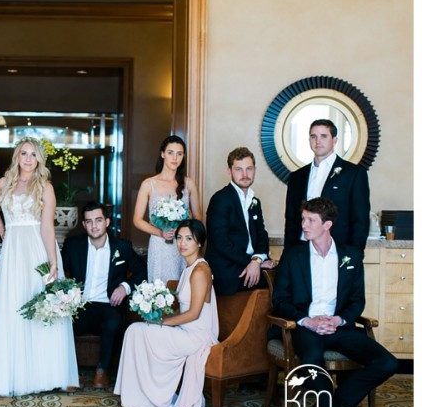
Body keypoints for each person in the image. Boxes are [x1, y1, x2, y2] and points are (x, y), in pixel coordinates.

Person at [272, 197, 397, 407]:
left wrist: (338, 320)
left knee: (387, 362)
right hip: (306, 327)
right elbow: (279, 300)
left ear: (327, 225)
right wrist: (307, 320)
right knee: (312, 356)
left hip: (339, 327)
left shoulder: (350, 255)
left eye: (310, 220)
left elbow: (357, 300)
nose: (304, 225)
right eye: (303, 219)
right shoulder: (293, 255)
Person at [0, 137, 79, 396]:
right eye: (23, 153)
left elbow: (48, 226)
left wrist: (53, 262)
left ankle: (49, 374)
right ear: (17, 157)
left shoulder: (45, 186)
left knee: (41, 309)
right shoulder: (4, 183)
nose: (28, 158)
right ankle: (14, 374)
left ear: (39, 159)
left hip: (37, 250)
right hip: (13, 252)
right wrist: (4, 231)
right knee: (14, 307)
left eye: (32, 154)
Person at [114, 219, 218, 407]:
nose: (182, 243)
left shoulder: (200, 270)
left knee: (138, 330)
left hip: (195, 337)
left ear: (200, 243)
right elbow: (182, 309)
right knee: (136, 330)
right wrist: (157, 314)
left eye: (189, 238)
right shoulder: (188, 268)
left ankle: (154, 397)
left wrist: (160, 323)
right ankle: (142, 394)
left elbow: (194, 314)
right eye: (179, 238)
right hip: (185, 330)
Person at [61, 201, 147, 389]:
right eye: (89, 221)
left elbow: (142, 272)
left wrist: (125, 286)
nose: (94, 226)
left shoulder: (122, 247)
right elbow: (59, 271)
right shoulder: (73, 245)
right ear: (83, 225)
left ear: (107, 222)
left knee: (113, 322)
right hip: (80, 306)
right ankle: (69, 373)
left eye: (98, 220)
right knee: (60, 322)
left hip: (108, 306)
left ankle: (102, 371)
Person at [284, 119, 370, 252]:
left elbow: (360, 219)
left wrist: (355, 254)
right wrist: (288, 253)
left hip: (337, 249)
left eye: (324, 136)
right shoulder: (297, 176)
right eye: (313, 136)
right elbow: (290, 219)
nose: (318, 141)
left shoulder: (353, 174)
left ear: (334, 140)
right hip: (300, 249)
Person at [205, 147, 277, 296]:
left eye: (249, 169)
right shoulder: (220, 200)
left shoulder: (255, 201)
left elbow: (262, 235)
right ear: (229, 171)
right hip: (229, 270)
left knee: (286, 272)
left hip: (250, 264)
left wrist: (257, 260)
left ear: (255, 170)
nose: (245, 175)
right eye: (239, 169)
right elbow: (221, 243)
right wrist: (252, 262)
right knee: (283, 281)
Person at [133, 135, 202, 283]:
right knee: (159, 289)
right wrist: (160, 232)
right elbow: (137, 220)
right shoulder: (149, 184)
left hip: (183, 245)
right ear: (163, 153)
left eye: (179, 153)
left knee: (183, 290)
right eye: (170, 152)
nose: (175, 158)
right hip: (159, 246)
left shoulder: (189, 184)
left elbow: (198, 218)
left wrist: (186, 236)